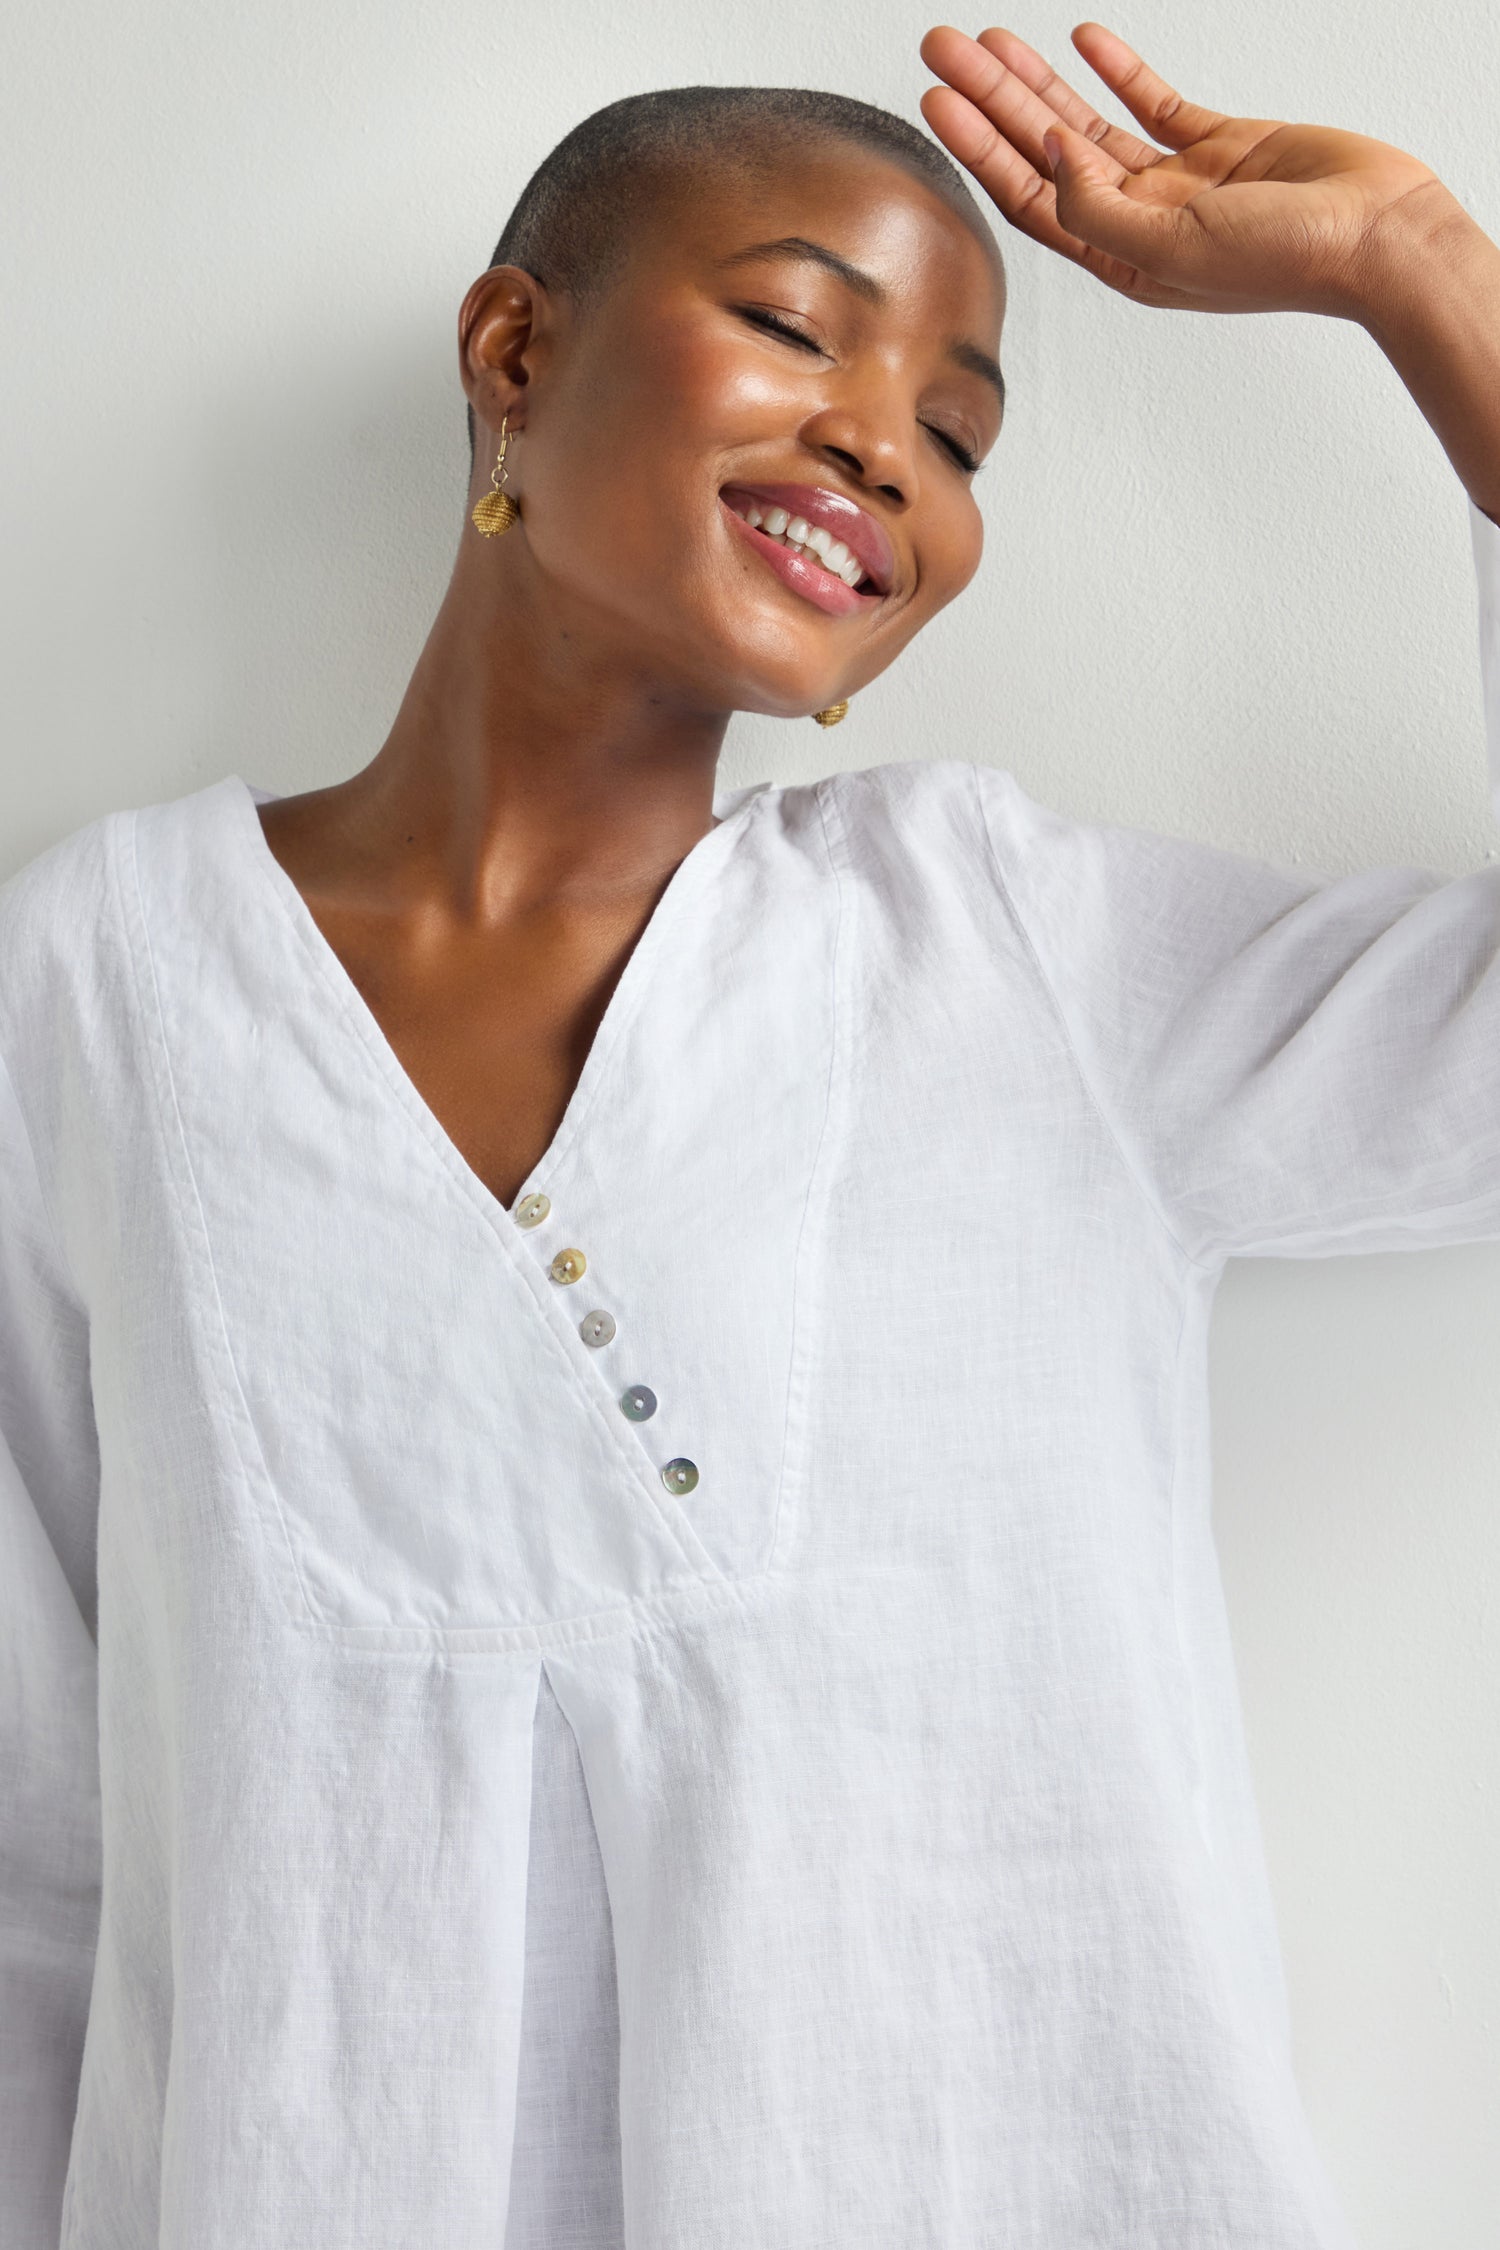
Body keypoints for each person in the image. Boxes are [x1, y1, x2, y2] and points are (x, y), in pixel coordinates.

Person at [2, 19, 1498, 2248]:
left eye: (963, 435)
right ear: (514, 349)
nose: (884, 446)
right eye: (800, 325)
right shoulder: (96, 980)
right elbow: (43, 1838)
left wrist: (1420, 266)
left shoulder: (1009, 949)